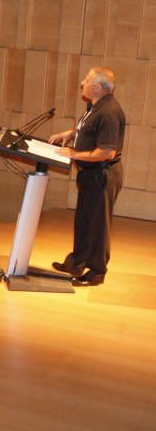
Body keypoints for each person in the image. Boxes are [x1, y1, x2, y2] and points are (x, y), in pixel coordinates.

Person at [48, 66, 127, 287]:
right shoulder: (94, 107)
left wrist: (75, 153)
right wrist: (71, 134)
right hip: (90, 174)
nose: (82, 82)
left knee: (98, 225)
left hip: (103, 175)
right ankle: (77, 262)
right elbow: (88, 130)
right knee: (84, 220)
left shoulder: (109, 112)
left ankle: (96, 272)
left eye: (86, 80)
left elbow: (106, 151)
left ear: (98, 87)